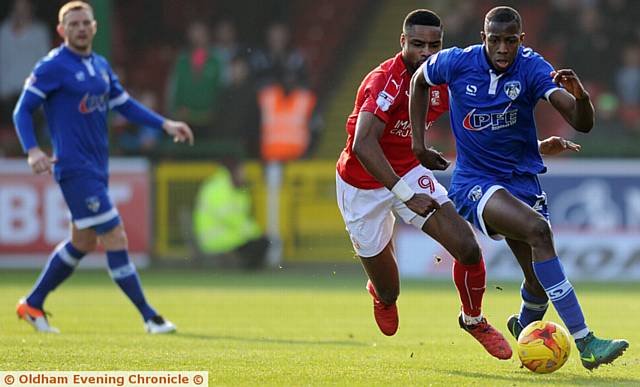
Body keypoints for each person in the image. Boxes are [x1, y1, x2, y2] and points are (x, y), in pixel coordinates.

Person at [409, 6, 629, 370]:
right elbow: (419, 80)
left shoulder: (531, 67)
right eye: (494, 40)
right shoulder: (457, 62)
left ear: (520, 40)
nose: (502, 48)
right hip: (474, 183)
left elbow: (581, 122)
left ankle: (525, 325)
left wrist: (582, 98)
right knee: (538, 231)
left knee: (538, 280)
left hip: (520, 181)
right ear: (483, 38)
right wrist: (418, 143)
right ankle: (586, 341)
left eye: (510, 41)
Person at [335, 9, 512, 360]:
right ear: (403, 42)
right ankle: (381, 292)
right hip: (361, 184)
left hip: (409, 170)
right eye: (417, 44)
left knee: (468, 248)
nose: (426, 53)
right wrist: (405, 195)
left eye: (434, 45)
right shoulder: (384, 80)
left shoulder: (442, 79)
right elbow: (363, 145)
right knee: (390, 292)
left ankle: (473, 319)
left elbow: (481, 126)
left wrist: (533, 147)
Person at [12, 1, 194, 334]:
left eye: (85, 23)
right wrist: (33, 150)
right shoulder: (53, 66)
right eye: (74, 23)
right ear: (61, 30)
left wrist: (165, 124)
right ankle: (149, 316)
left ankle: (33, 304)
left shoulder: (100, 65)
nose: (80, 28)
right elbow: (22, 111)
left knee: (82, 243)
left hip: (98, 167)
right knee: (114, 233)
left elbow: (124, 105)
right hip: (74, 167)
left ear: (95, 27)